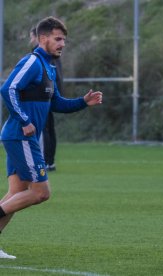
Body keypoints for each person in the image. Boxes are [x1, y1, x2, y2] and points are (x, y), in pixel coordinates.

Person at [0, 16, 103, 259]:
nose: (62, 44)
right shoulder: (33, 62)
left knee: (16, 193)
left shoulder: (49, 67)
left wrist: (83, 102)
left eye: (64, 40)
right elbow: (7, 89)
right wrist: (24, 120)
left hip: (22, 138)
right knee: (40, 193)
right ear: (42, 38)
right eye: (57, 39)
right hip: (20, 136)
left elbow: (56, 103)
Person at [30, 27, 60, 172]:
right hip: (49, 96)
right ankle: (49, 161)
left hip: (42, 98)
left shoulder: (38, 54)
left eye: (31, 37)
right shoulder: (51, 54)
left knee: (44, 129)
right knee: (49, 128)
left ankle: (44, 161)